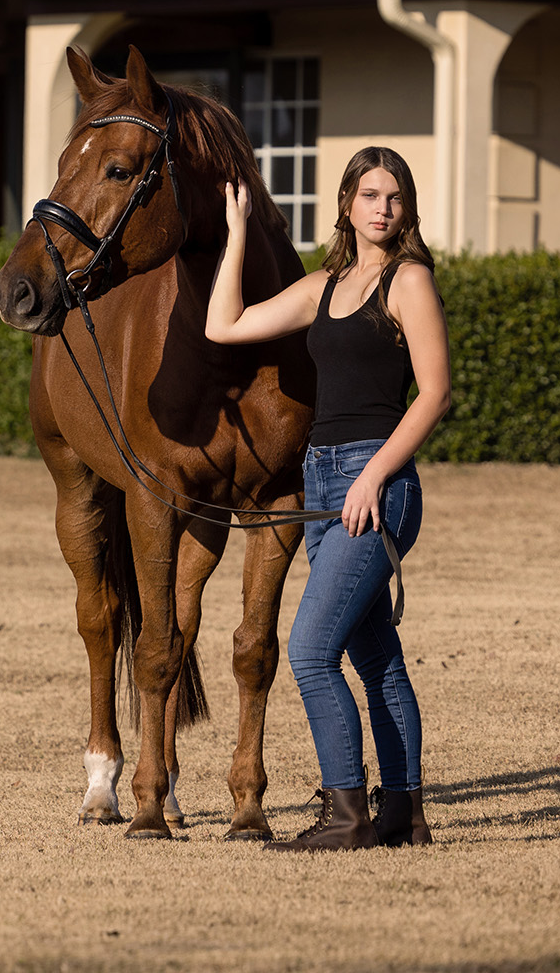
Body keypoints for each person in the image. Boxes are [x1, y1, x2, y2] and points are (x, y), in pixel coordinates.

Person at [205, 146, 451, 852]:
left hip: (377, 485)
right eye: (370, 195)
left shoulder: (410, 283)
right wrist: (239, 236)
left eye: (395, 197)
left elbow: (434, 393)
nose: (383, 208)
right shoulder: (326, 285)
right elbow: (225, 325)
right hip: (322, 477)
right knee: (375, 655)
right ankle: (402, 811)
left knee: (313, 651)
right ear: (347, 203)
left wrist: (375, 475)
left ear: (405, 209)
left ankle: (347, 816)